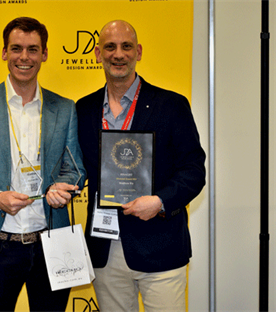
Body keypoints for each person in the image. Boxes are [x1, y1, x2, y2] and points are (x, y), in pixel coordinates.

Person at [0, 17, 86, 312]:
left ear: (45, 54)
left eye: (32, 49)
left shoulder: (64, 108)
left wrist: (62, 188)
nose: (24, 57)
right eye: (16, 49)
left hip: (51, 243)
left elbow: (75, 168)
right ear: (4, 53)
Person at [76, 20, 206, 311]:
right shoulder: (83, 109)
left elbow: (194, 170)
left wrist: (159, 201)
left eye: (126, 46)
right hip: (105, 248)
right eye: (110, 47)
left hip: (161, 247)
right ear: (98, 53)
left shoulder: (171, 105)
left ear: (139, 51)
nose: (118, 54)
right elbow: (75, 166)